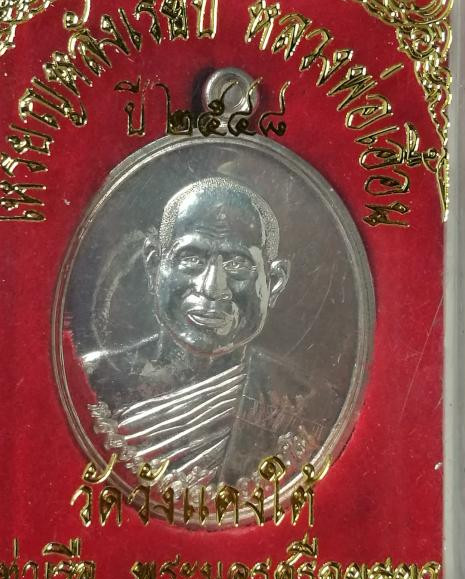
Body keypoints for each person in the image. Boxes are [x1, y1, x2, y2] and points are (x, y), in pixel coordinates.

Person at [84, 177, 329, 486]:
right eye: (192, 259)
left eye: (238, 264)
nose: (212, 288)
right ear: (154, 265)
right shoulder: (95, 381)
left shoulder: (306, 403)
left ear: (274, 282)